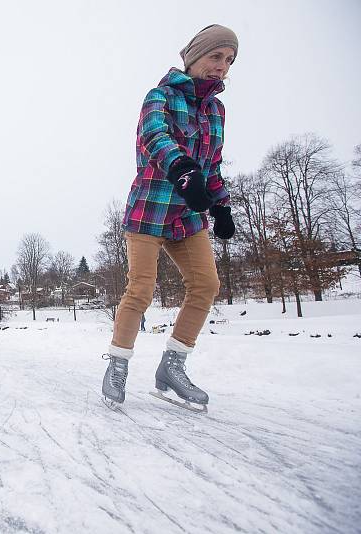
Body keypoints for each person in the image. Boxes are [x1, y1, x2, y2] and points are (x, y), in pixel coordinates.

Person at [101, 25, 237, 412]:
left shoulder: (216, 111)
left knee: (206, 285)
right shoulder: (159, 96)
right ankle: (118, 364)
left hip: (187, 216)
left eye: (228, 61)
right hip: (150, 209)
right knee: (141, 288)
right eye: (216, 57)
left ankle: (172, 367)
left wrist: (221, 204)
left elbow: (211, 164)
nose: (222, 67)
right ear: (194, 57)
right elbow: (155, 138)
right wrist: (181, 169)